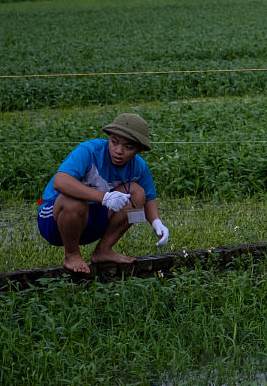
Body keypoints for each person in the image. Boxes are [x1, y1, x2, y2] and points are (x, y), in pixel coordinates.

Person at [36, 113, 170, 273]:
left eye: (128, 147)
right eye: (114, 142)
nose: (119, 151)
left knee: (136, 193)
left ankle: (103, 250)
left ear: (139, 150)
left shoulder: (138, 167)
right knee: (75, 201)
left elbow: (148, 197)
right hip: (55, 220)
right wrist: (104, 198)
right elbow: (60, 181)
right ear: (109, 138)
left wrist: (156, 223)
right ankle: (71, 254)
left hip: (90, 222)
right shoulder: (89, 151)